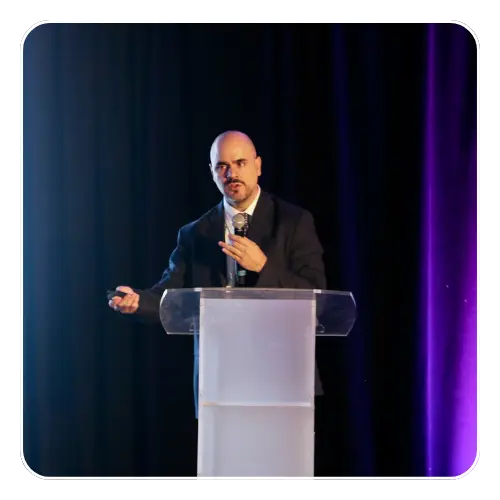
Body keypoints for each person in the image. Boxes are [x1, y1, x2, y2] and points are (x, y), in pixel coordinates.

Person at [108, 130, 327, 416]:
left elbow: (316, 296)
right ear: (212, 173)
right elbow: (169, 293)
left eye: (240, 163)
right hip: (218, 383)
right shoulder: (195, 233)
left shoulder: (293, 222)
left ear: (258, 166)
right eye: (222, 166)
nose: (231, 174)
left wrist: (264, 266)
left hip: (283, 378)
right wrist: (138, 301)